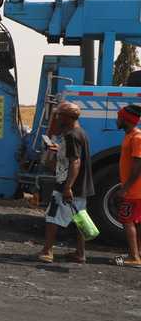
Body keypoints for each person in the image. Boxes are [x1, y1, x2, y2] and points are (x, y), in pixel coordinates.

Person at [36, 102, 95, 263]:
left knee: (52, 216)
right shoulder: (80, 132)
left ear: (68, 118)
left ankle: (47, 251)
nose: (57, 117)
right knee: (79, 218)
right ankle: (80, 253)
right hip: (80, 185)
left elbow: (75, 162)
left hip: (67, 184)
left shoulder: (71, 136)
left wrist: (67, 187)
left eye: (60, 115)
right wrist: (58, 149)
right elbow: (72, 157)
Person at [115, 105, 141, 266]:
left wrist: (125, 189)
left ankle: (133, 257)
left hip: (134, 191)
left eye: (119, 117)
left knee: (127, 220)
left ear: (125, 120)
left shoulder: (137, 138)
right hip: (133, 188)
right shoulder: (130, 135)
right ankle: (136, 253)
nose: (116, 120)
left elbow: (138, 166)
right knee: (135, 221)